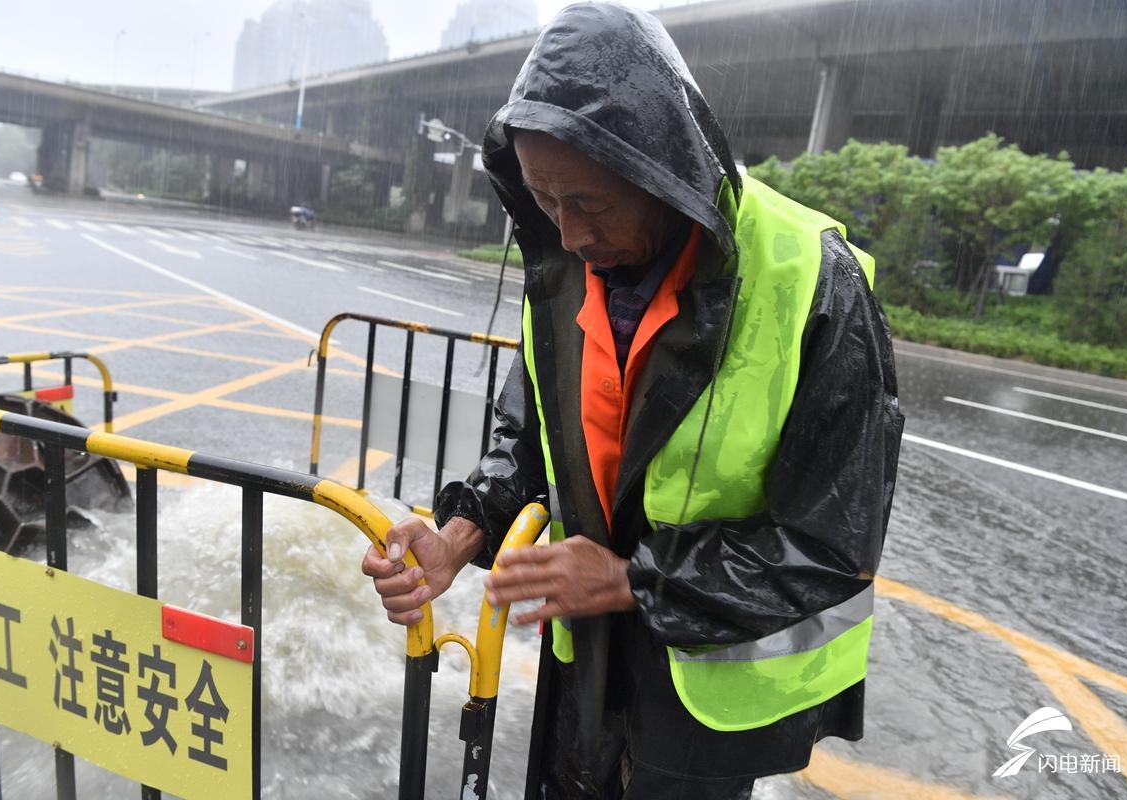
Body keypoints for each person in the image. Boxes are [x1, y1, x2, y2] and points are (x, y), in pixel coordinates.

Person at [361, 4, 904, 798]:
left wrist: (631, 580)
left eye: (588, 203)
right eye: (545, 200)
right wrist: (458, 533)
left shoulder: (814, 281)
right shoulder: (566, 270)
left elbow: (832, 545)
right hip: (586, 667)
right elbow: (533, 437)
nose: (570, 232)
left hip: (709, 705)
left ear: (661, 170)